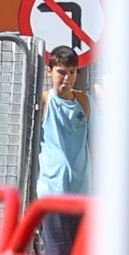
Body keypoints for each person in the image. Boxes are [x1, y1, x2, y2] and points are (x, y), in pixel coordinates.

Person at [33, 45, 88, 199]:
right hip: (50, 193)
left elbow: (95, 145)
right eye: (62, 72)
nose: (67, 78)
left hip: (82, 193)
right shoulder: (42, 102)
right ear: (49, 72)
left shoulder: (85, 103)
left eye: (72, 72)